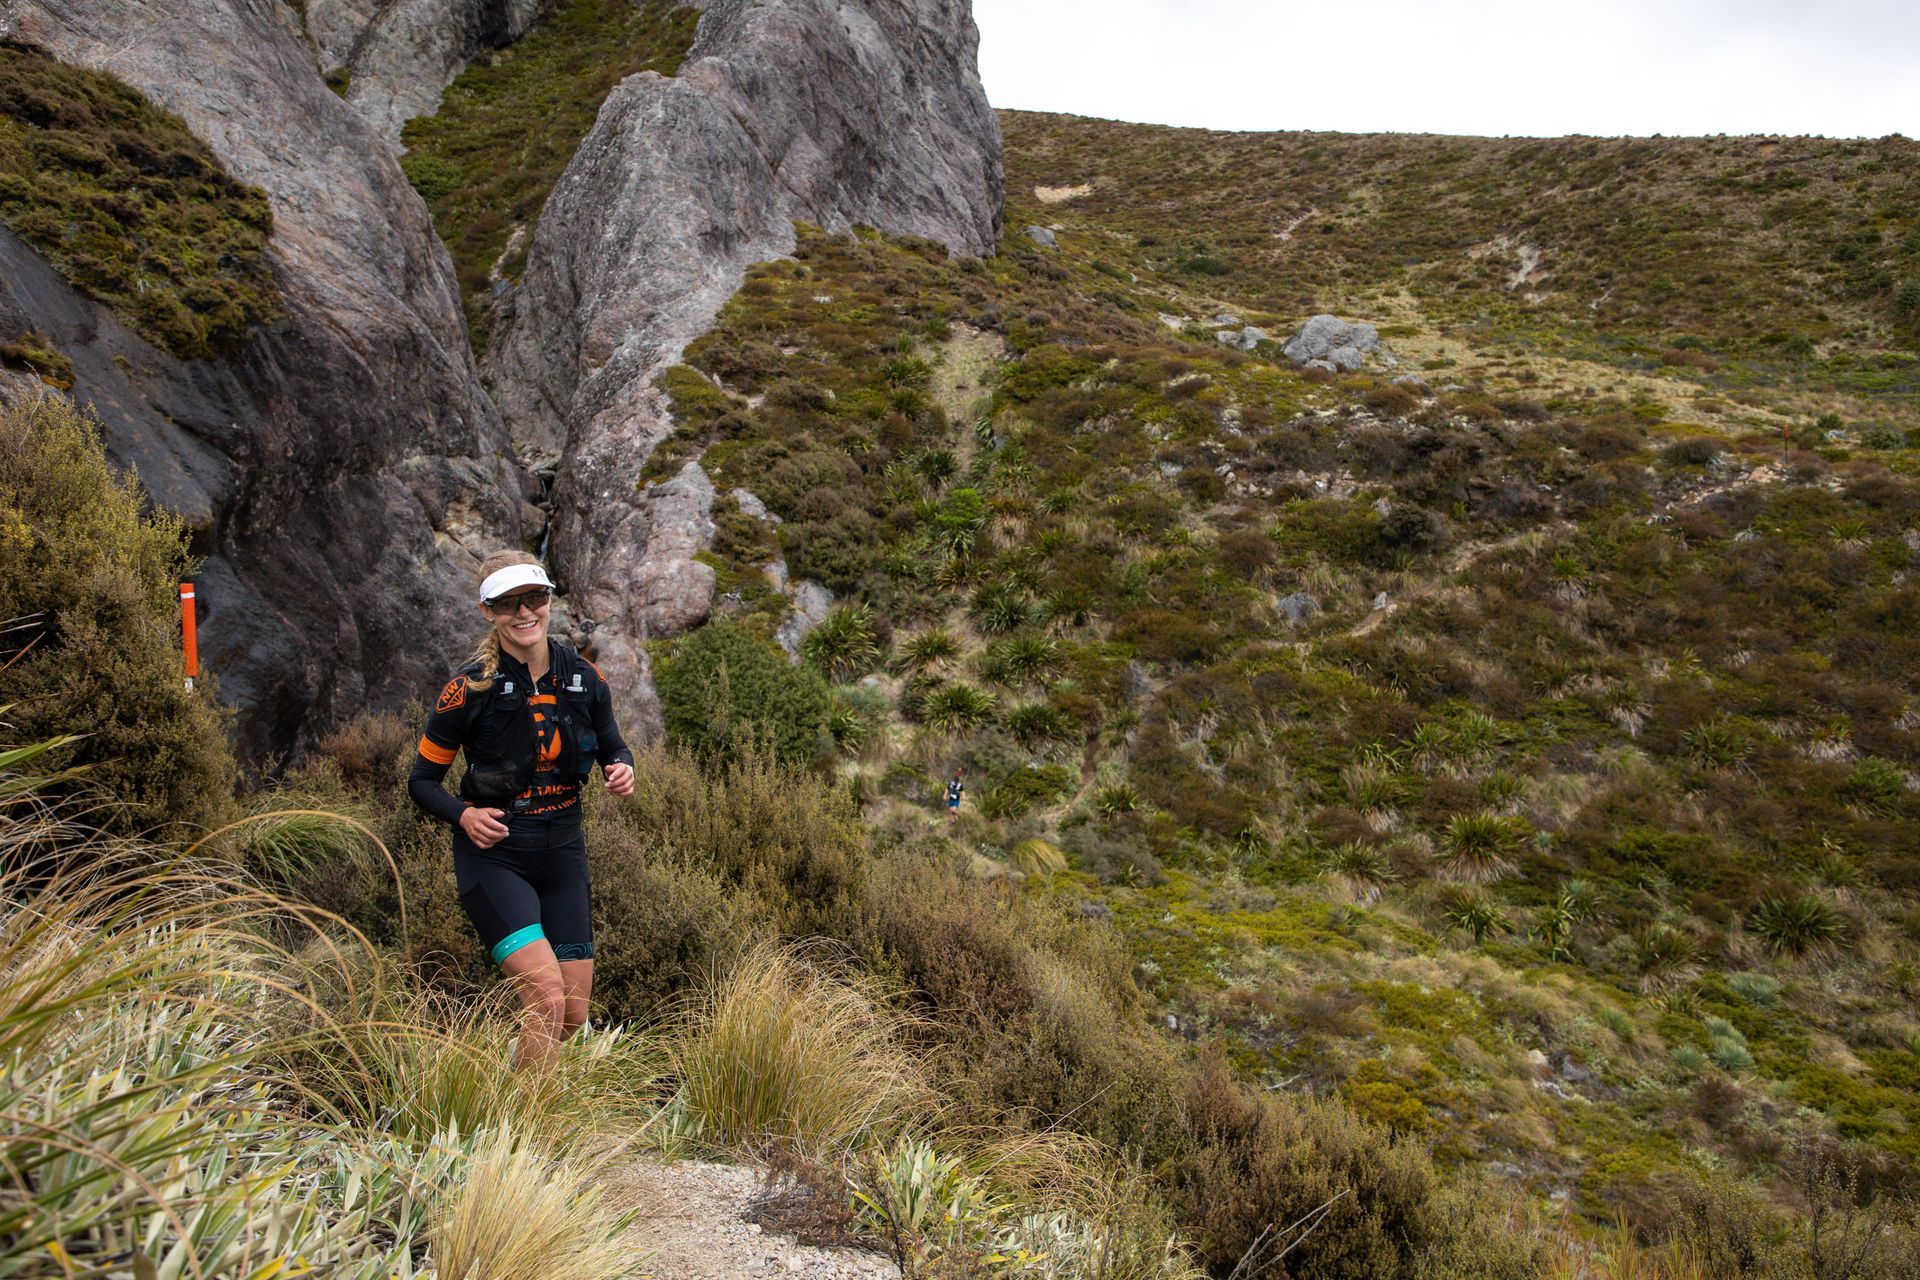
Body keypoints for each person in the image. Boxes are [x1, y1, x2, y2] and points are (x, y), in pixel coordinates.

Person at [407, 552, 635, 1065]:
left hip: (563, 855)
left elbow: (613, 745)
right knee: (546, 998)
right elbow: (421, 782)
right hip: (495, 858)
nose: (524, 612)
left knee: (572, 1015)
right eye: (508, 603)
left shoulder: (585, 678)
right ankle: (530, 1127)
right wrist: (463, 815)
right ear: (489, 611)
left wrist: (621, 768)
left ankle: (510, 1085)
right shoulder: (467, 690)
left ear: (550, 601)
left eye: (534, 598)